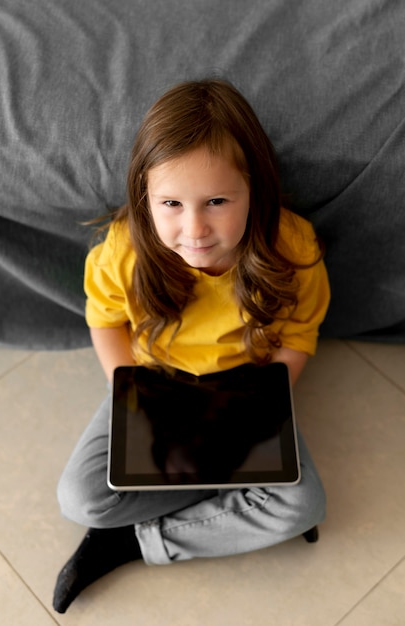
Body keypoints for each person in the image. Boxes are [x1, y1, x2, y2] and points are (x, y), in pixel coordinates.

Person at [52, 78, 330, 613]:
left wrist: (260, 411)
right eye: (172, 204)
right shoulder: (126, 250)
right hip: (156, 386)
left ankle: (133, 540)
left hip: (245, 391)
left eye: (218, 201)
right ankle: (230, 504)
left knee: (303, 506)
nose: (194, 228)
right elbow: (105, 321)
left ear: (255, 190)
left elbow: (299, 335)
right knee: (80, 496)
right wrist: (132, 392)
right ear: (145, 197)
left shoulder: (292, 248)